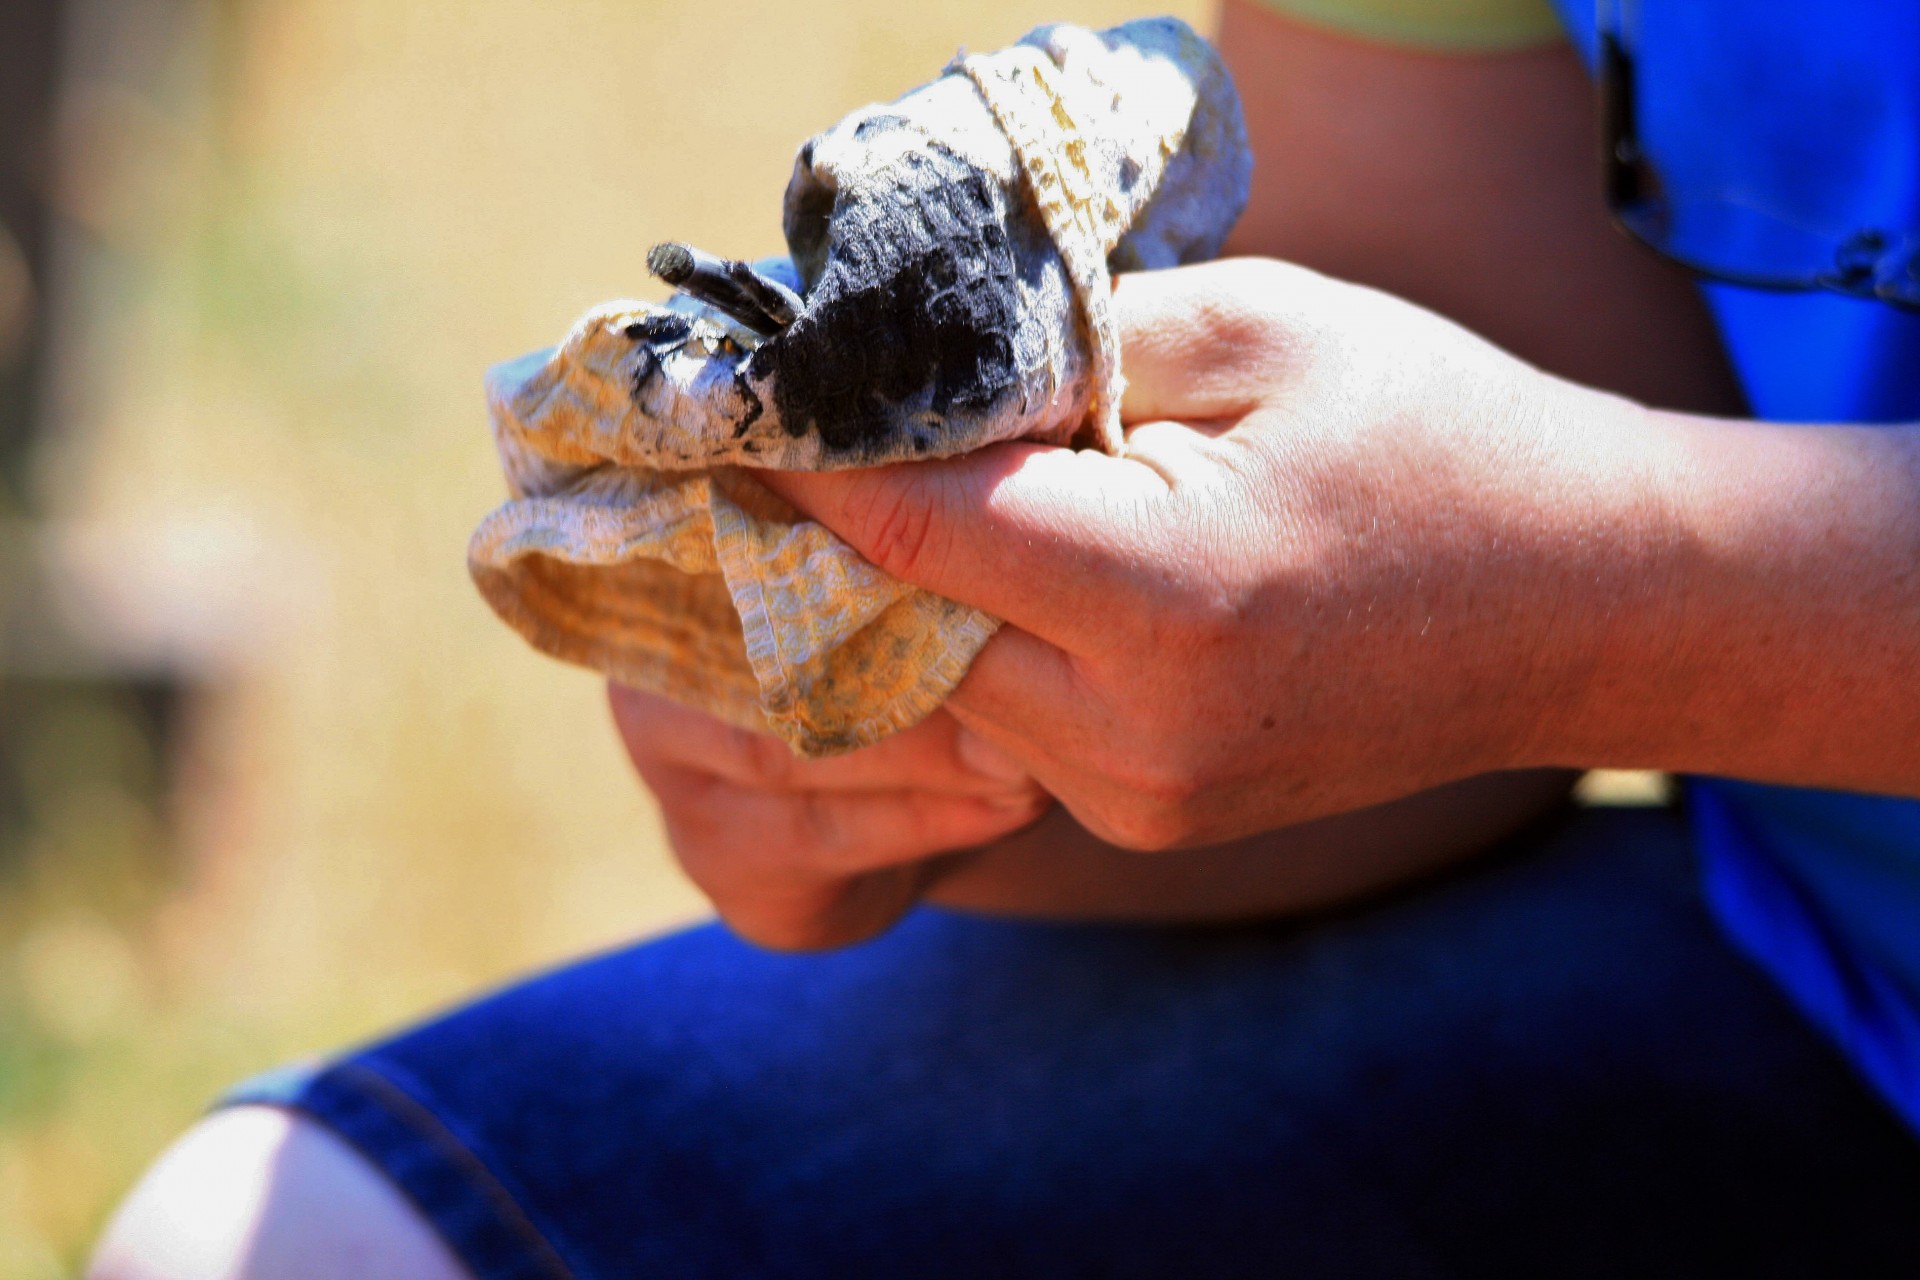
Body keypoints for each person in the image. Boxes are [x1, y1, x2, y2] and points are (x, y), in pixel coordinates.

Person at [91, 0, 1920, 1275]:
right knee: (279, 1241)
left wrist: (1619, 612)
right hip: (1834, 987)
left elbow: (1555, 593)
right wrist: (996, 719)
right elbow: (1489, 385)